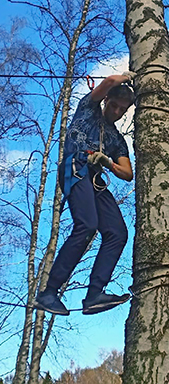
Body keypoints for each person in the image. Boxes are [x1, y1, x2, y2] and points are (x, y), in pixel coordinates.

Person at [34, 71, 137, 316]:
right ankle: (49, 292)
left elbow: (127, 172)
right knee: (87, 225)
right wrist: (125, 77)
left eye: (123, 109)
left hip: (94, 178)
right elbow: (109, 83)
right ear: (106, 101)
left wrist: (108, 163)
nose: (117, 112)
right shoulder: (88, 109)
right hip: (75, 166)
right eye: (114, 105)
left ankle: (94, 295)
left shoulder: (116, 138)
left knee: (117, 233)